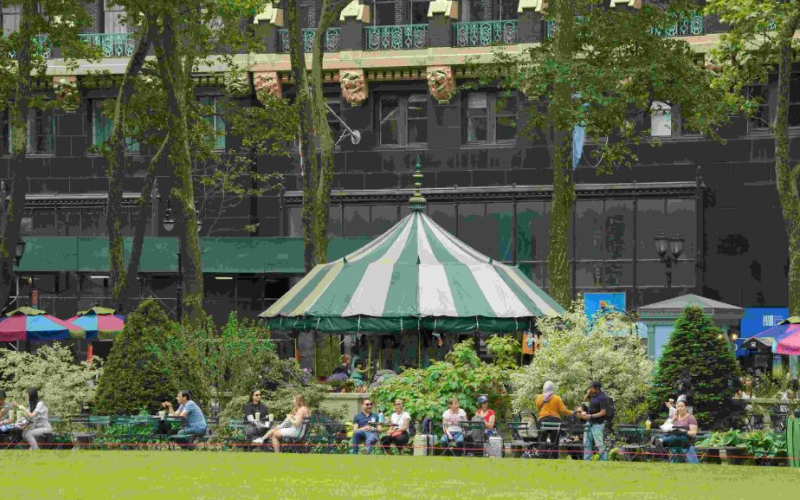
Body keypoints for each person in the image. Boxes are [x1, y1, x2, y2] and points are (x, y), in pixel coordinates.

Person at [535, 381, 573, 456]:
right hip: (555, 421)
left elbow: (538, 409)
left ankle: (542, 455)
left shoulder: (539, 397)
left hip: (542, 420)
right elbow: (564, 411)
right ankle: (554, 456)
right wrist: (573, 412)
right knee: (555, 441)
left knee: (542, 440)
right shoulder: (557, 398)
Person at [576, 380, 609, 461]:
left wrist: (591, 416)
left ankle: (604, 461)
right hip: (589, 422)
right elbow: (585, 399)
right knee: (586, 443)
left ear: (597, 388)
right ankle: (586, 461)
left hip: (598, 424)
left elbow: (603, 412)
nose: (590, 389)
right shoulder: (593, 395)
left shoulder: (602, 397)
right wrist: (588, 393)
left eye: (592, 387)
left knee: (599, 444)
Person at [659, 399, 699, 464]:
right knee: (663, 438)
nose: (680, 408)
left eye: (682, 406)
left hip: (685, 440)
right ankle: (662, 443)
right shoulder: (673, 416)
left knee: (676, 437)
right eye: (678, 406)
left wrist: (683, 432)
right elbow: (663, 428)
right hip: (673, 440)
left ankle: (662, 440)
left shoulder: (691, 418)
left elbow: (694, 433)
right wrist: (672, 419)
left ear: (686, 407)